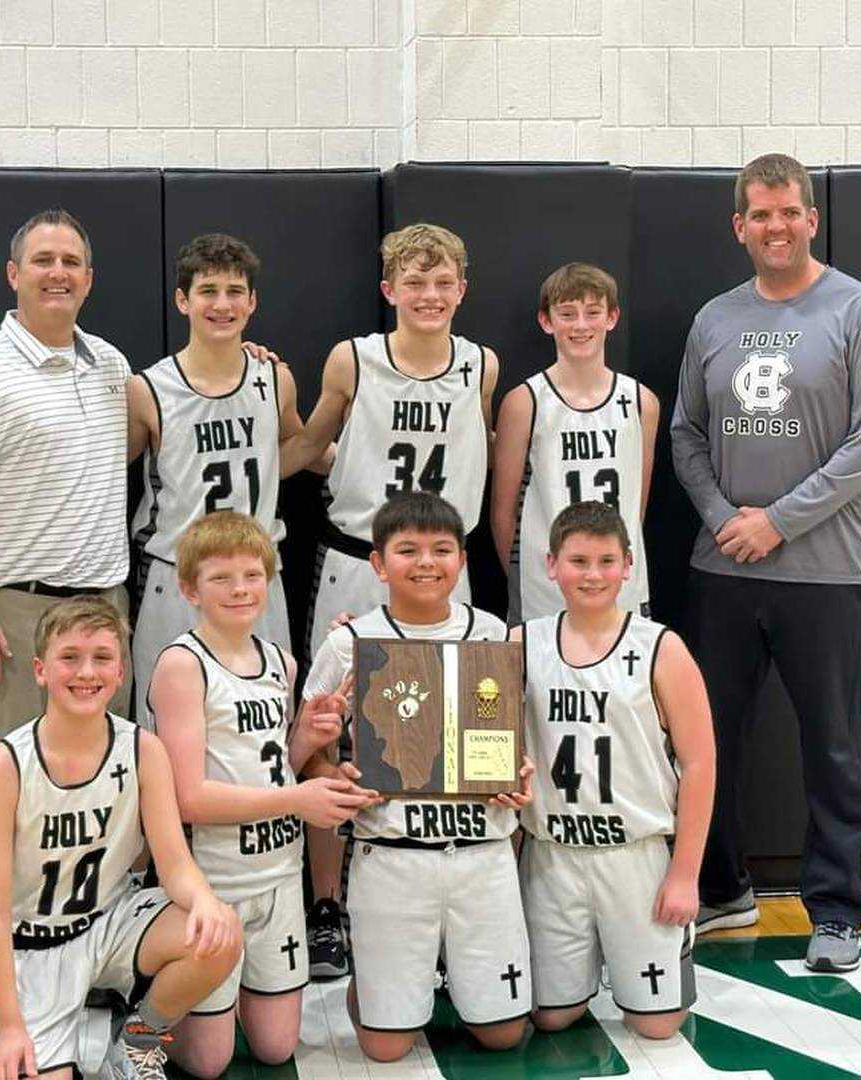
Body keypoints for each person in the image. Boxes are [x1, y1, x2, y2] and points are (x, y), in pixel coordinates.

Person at [670, 153, 861, 972]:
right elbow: (686, 436)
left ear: (811, 218)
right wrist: (722, 518)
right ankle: (723, 889)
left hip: (826, 573)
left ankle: (837, 910)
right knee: (709, 741)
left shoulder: (859, 310)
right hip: (723, 569)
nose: (775, 227)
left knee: (831, 746)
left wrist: (778, 521)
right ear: (740, 226)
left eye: (788, 212)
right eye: (759, 215)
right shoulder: (714, 318)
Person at [0, 209, 136, 1013]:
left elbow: (148, 433)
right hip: (11, 612)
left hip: (104, 608)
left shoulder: (109, 366)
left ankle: (94, 956)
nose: (57, 273)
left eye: (71, 261)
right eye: (42, 260)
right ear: (13, 274)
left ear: (88, 277)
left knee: (103, 790)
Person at [280, 223, 498, 978]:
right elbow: (310, 446)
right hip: (355, 563)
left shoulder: (481, 366)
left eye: (442, 283)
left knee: (446, 738)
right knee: (337, 736)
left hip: (445, 566)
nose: (429, 296)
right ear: (389, 290)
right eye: (414, 282)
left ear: (461, 290)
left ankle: (440, 900)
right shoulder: (354, 359)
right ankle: (329, 904)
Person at [293, 492, 533, 1063]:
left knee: (503, 1036)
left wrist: (520, 776)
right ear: (378, 564)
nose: (426, 562)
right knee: (384, 1048)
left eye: (441, 550)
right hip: (391, 853)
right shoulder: (348, 643)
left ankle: (447, 974)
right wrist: (336, 775)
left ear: (463, 560)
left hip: (481, 853)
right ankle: (381, 986)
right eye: (408, 550)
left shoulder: (494, 634)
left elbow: (516, 744)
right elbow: (306, 753)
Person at [0, 596, 242, 1080]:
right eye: (69, 657)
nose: (86, 672)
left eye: (101, 658)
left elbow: (174, 863)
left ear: (120, 673)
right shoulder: (4, 767)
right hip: (32, 946)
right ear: (39, 669)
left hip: (113, 922)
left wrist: (202, 900)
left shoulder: (142, 749)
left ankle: (136, 1043)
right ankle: (12, 1027)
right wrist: (11, 1026)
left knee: (218, 935)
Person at [146, 512, 376, 1077]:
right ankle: (140, 1021)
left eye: (252, 575)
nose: (240, 589)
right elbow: (188, 798)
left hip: (276, 876)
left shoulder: (280, 662)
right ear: (188, 587)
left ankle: (228, 1000)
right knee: (209, 1061)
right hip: (213, 883)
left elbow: (275, 767)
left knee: (276, 1047)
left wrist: (308, 738)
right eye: (221, 578)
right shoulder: (183, 665)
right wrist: (299, 801)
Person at [512, 501, 714, 1039]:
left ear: (628, 565)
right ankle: (583, 971)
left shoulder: (662, 648)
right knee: (550, 1018)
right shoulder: (520, 643)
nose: (593, 574)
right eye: (579, 561)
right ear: (551, 565)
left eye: (606, 561)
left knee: (658, 1025)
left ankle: (631, 960)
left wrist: (685, 875)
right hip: (551, 856)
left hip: (636, 855)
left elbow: (699, 764)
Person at [127, 234, 301, 729]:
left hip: (257, 571)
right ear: (183, 300)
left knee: (265, 718)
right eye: (207, 291)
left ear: (252, 301)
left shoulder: (276, 380)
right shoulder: (147, 389)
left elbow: (296, 451)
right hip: (175, 575)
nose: (221, 304)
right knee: (166, 723)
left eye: (233, 291)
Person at [491, 262, 657, 621]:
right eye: (567, 314)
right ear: (546, 321)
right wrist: (531, 578)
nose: (581, 325)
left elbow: (635, 506)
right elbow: (502, 514)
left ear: (612, 318)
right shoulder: (524, 402)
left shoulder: (642, 401)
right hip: (544, 589)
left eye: (592, 313)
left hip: (620, 587)